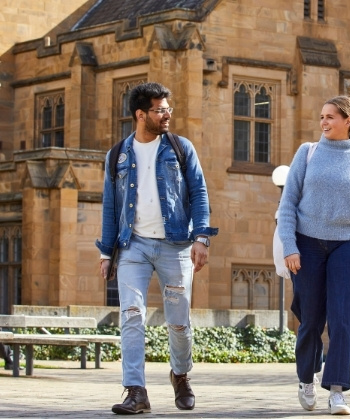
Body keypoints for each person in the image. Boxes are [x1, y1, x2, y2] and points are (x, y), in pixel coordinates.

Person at [95, 82, 218, 415]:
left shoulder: (180, 148)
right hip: (132, 245)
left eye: (168, 109)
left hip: (175, 245)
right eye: (160, 110)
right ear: (140, 114)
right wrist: (107, 253)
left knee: (178, 322)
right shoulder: (117, 155)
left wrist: (201, 238)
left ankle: (180, 376)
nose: (167, 115)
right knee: (131, 315)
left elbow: (200, 194)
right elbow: (110, 206)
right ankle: (136, 391)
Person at [276, 95, 350, 415]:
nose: (323, 122)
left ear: (349, 120)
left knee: (342, 321)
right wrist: (290, 247)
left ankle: (337, 390)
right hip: (307, 245)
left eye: (330, 117)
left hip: (346, 246)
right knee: (310, 320)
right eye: (321, 117)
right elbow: (287, 204)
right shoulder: (307, 153)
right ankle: (306, 379)